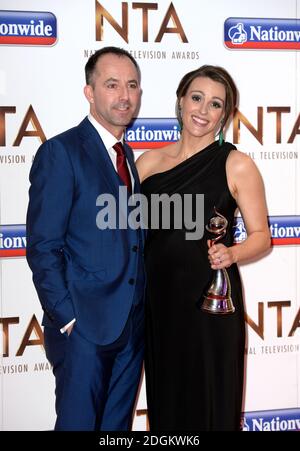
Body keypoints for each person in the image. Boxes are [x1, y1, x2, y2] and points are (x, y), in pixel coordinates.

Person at [136, 65, 270, 431]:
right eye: (196, 98)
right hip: (159, 305)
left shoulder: (236, 164)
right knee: (167, 399)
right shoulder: (148, 163)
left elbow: (262, 236)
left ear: (224, 115)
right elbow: (131, 235)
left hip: (210, 305)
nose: (202, 110)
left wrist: (233, 253)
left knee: (211, 401)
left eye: (215, 104)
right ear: (181, 102)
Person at [26, 47, 145, 431]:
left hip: (129, 327)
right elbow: (44, 246)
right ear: (89, 92)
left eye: (131, 85)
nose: (124, 95)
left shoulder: (127, 155)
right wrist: (68, 317)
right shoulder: (61, 152)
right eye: (112, 85)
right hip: (84, 332)